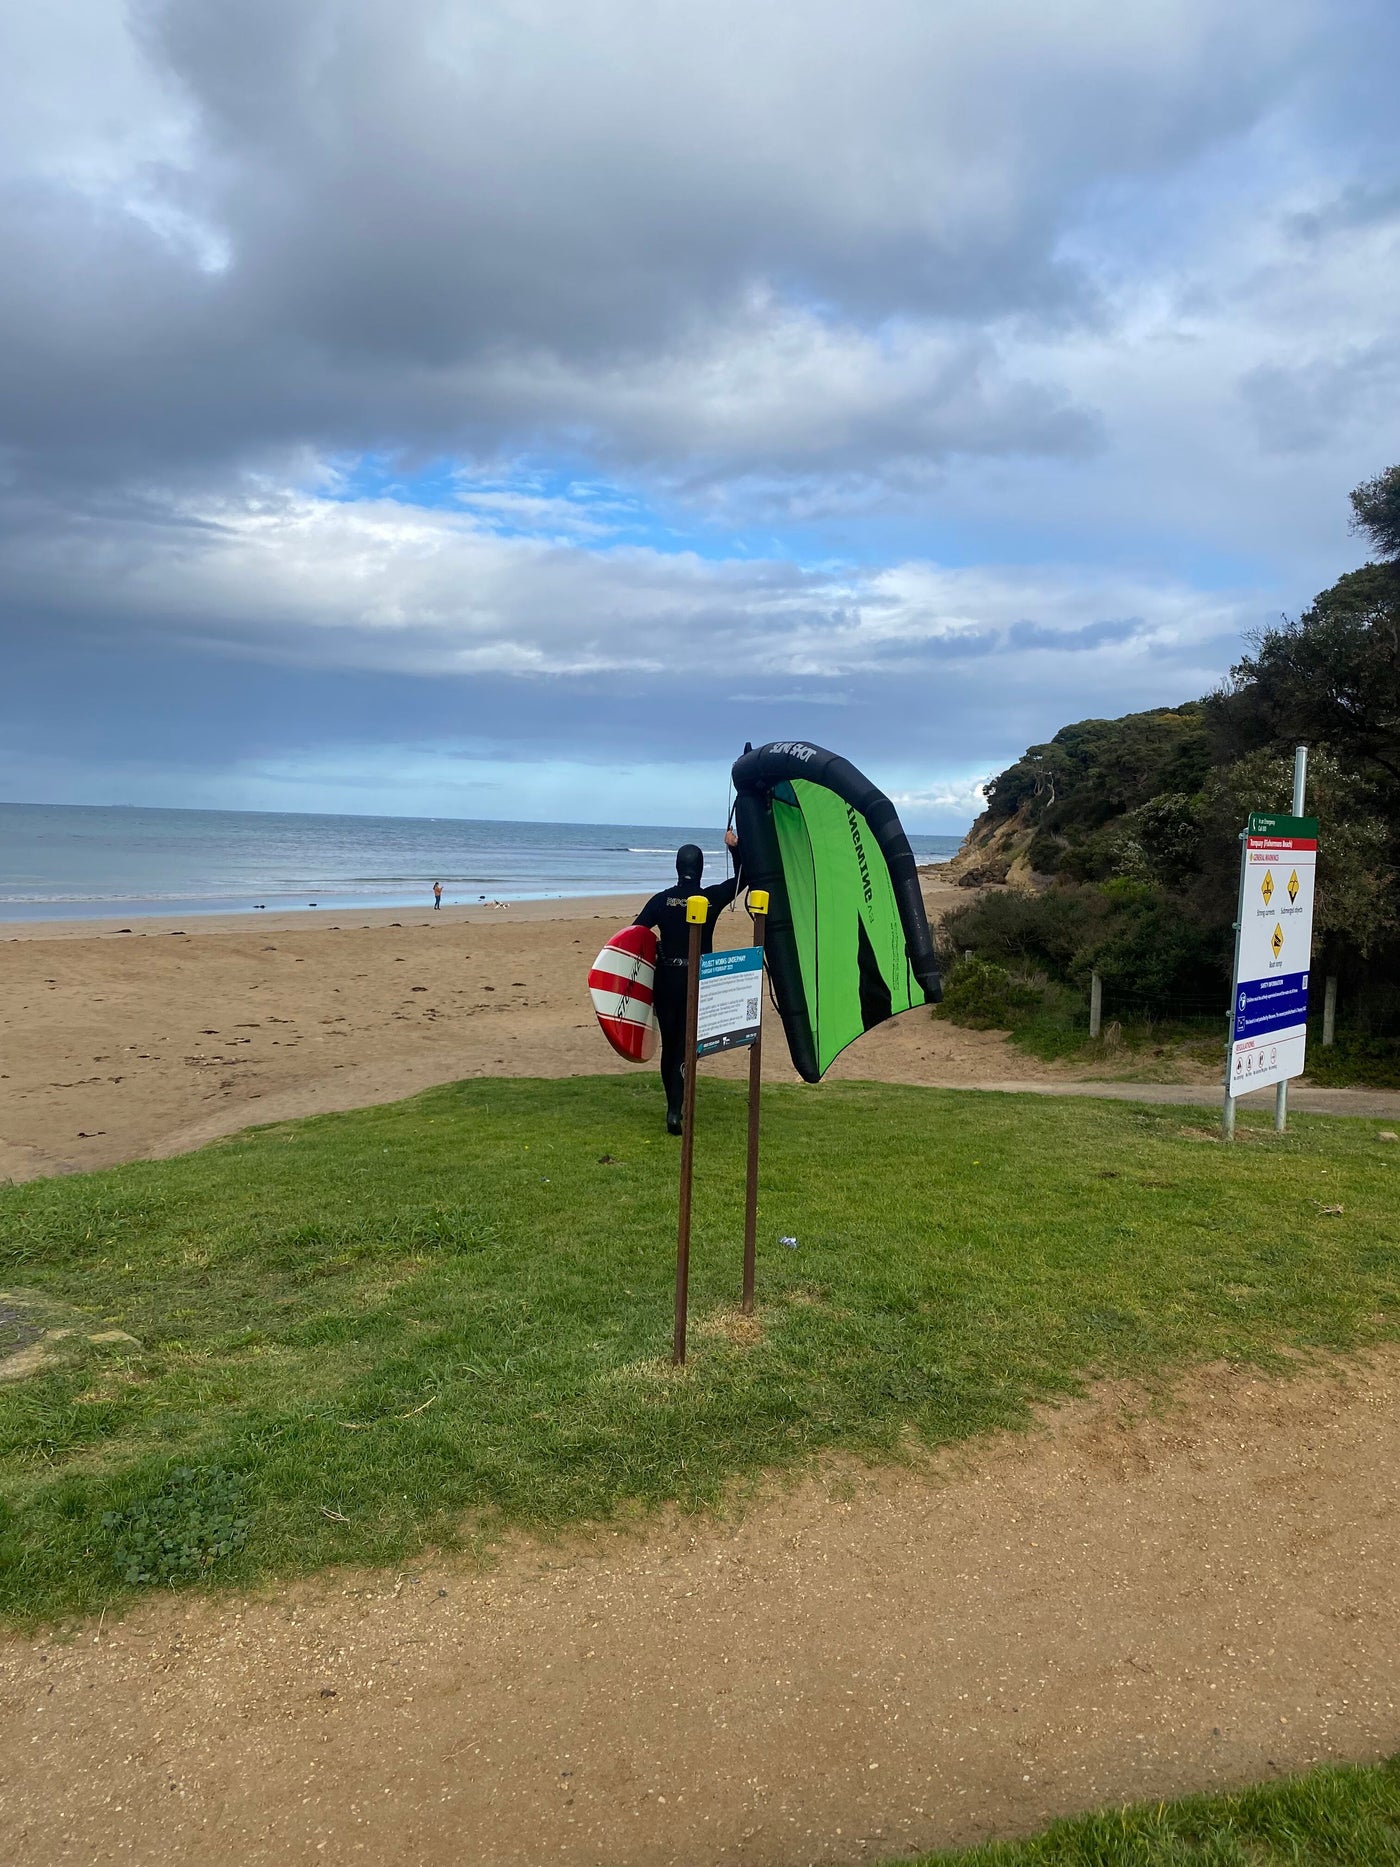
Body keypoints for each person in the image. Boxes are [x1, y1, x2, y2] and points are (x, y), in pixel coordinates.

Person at [634, 830, 741, 1134]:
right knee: (687, 1046)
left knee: (671, 1046)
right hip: (698, 981)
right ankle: (680, 1106)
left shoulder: (661, 900)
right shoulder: (710, 899)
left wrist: (656, 948)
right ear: (701, 868)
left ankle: (672, 1109)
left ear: (678, 868)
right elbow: (741, 880)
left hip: (666, 980)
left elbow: (635, 934)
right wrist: (735, 849)